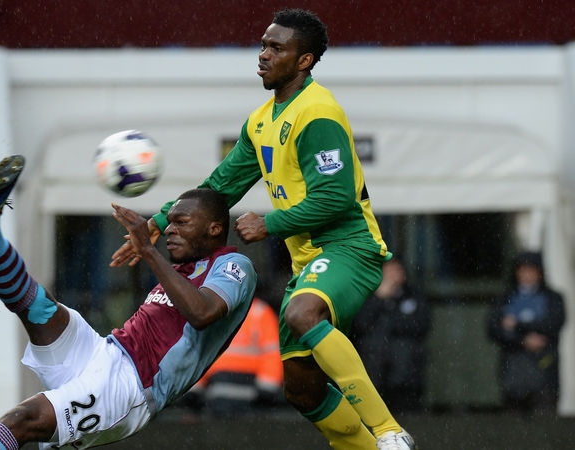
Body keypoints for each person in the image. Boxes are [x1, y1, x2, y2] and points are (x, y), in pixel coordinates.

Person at [112, 8, 414, 449]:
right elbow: (220, 186)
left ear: (305, 60)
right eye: (263, 45)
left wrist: (269, 223)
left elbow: (336, 198)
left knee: (301, 313)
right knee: (302, 389)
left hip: (349, 247)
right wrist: (157, 223)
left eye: (276, 47)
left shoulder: (318, 112)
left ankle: (388, 432)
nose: (263, 55)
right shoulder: (260, 121)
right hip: (309, 261)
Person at [0, 155, 257, 449]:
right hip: (105, 350)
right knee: (40, 308)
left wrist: (148, 251)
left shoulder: (234, 265)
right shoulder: (181, 269)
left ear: (214, 228)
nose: (169, 229)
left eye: (181, 222)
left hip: (132, 387)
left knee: (21, 420)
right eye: (171, 223)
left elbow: (202, 313)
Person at [487, 251, 565, 414]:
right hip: (513, 376)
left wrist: (517, 324)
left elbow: (553, 324)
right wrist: (522, 340)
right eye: (523, 269)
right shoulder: (505, 298)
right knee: (513, 429)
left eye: (531, 270)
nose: (527, 274)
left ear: (540, 273)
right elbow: (493, 328)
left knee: (544, 427)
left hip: (544, 374)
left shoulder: (553, 298)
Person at [350, 258, 432, 413]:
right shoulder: (365, 296)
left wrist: (392, 320)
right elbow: (359, 325)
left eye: (396, 271)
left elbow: (422, 325)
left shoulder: (414, 295)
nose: (392, 276)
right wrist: (379, 299)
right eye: (387, 272)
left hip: (406, 373)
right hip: (372, 371)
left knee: (408, 413)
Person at [188, 296, 283, 418]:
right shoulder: (259, 312)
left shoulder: (259, 312)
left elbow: (271, 353)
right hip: (221, 390)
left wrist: (193, 387)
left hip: (245, 390)